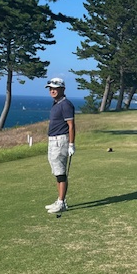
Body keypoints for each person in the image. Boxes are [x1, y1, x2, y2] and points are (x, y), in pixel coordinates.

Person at [44, 77, 75, 214]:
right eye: (50, 88)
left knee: (61, 173)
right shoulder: (56, 103)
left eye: (55, 88)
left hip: (60, 141)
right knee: (57, 172)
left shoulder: (65, 104)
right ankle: (60, 200)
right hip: (53, 140)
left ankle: (61, 202)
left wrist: (71, 144)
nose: (52, 91)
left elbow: (71, 125)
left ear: (62, 89)